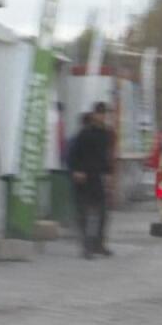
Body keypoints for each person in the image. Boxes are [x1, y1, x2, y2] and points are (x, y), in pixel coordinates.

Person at [69, 102, 115, 259]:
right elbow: (75, 154)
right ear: (94, 115)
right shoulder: (85, 133)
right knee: (84, 214)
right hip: (84, 177)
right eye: (100, 113)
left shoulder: (106, 134)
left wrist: (108, 173)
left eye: (104, 113)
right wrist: (77, 170)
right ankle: (86, 247)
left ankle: (98, 244)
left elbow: (106, 155)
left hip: (98, 177)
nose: (102, 116)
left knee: (102, 213)